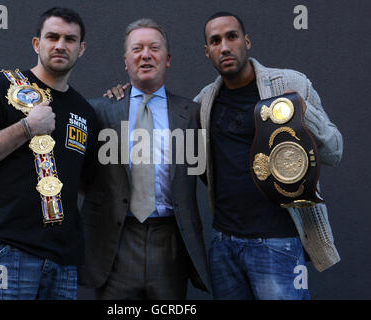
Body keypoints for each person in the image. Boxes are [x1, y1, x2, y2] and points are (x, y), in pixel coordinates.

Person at [105, 12, 343, 300]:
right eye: (215, 41)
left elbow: (334, 151)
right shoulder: (203, 102)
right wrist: (130, 95)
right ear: (207, 52)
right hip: (224, 244)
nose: (225, 47)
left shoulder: (289, 84)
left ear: (247, 41)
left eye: (231, 37)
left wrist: (306, 112)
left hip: (278, 242)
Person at [0, 7, 98, 300]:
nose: (61, 45)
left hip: (62, 262)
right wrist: (26, 127)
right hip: (5, 252)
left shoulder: (86, 111)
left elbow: (85, 181)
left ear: (82, 49)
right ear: (37, 43)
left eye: (70, 39)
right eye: (52, 37)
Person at [78, 18, 210, 299]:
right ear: (126, 61)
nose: (146, 54)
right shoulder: (100, 111)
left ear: (168, 59)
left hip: (171, 243)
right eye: (137, 49)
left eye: (154, 48)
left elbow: (210, 174)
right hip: (116, 244)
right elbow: (81, 176)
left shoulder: (192, 113)